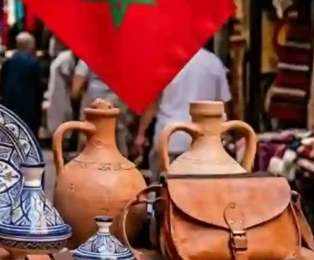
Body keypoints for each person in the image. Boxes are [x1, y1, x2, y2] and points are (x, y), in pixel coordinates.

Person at [135, 46, 231, 175]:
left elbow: (152, 104)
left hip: (168, 139)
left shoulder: (165, 62)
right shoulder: (213, 63)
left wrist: (141, 134)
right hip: (203, 142)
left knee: (163, 190)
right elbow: (223, 105)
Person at [71, 60, 132, 156]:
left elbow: (76, 88)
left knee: (86, 138)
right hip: (118, 103)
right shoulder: (128, 57)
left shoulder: (89, 55)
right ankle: (121, 167)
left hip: (93, 102)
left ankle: (84, 165)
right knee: (119, 139)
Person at [0, 32, 43, 136]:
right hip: (29, 105)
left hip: (10, 104)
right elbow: (37, 87)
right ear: (31, 45)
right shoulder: (34, 62)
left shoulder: (8, 61)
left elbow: (2, 83)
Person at [47, 48, 78, 135]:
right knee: (60, 113)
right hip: (59, 88)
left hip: (61, 88)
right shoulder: (66, 57)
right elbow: (66, 73)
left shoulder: (65, 55)